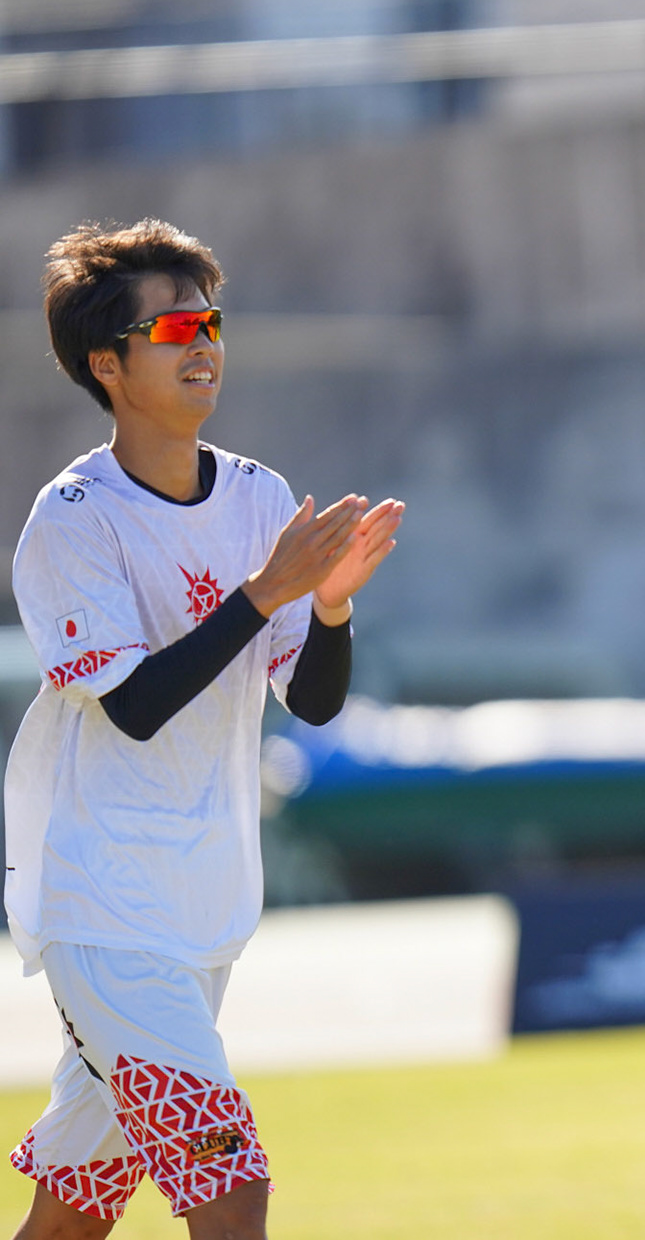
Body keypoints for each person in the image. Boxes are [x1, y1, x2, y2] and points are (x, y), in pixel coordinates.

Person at [4, 220, 402, 1239]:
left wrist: (329, 607)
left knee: (75, 1213)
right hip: (104, 910)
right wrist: (265, 592)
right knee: (231, 1181)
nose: (204, 345)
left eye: (211, 323)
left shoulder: (257, 495)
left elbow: (310, 702)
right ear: (107, 363)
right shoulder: (73, 517)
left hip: (201, 908)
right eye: (175, 327)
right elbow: (135, 706)